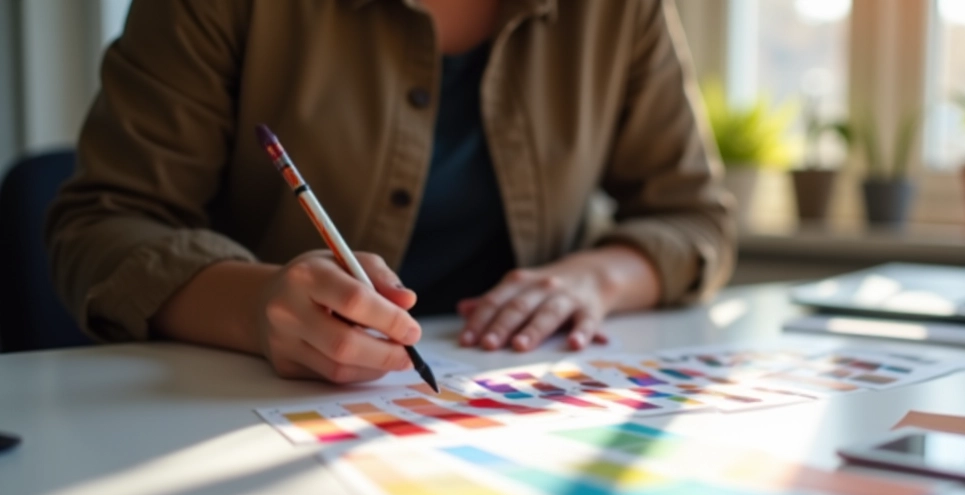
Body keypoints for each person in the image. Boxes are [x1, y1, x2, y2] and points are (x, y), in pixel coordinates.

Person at [46, 0, 735, 385]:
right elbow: (105, 221)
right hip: (248, 411)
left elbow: (694, 216)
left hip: (517, 400)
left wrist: (594, 279)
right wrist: (257, 303)